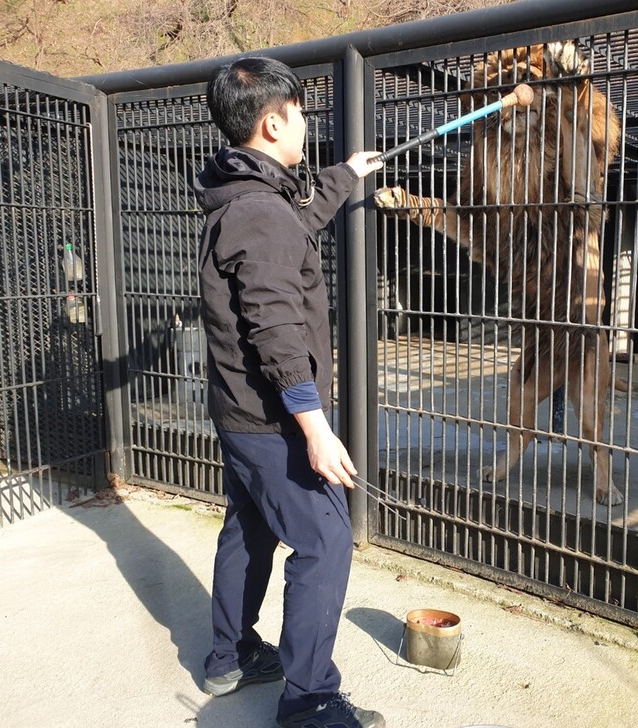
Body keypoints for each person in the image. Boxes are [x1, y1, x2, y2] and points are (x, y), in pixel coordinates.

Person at [193, 56, 385, 728]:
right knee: (326, 542)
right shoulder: (261, 213)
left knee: (249, 530)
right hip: (273, 419)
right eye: (301, 113)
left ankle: (230, 655)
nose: (307, 123)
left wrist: (346, 175)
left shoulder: (241, 198)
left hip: (240, 412)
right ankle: (309, 700)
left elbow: (294, 221)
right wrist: (312, 424)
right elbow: (274, 324)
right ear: (274, 121)